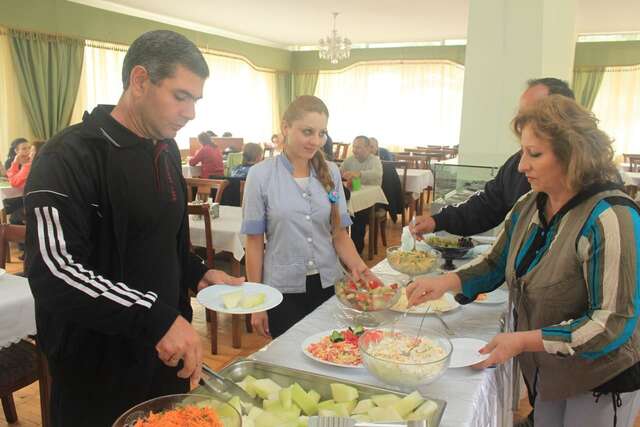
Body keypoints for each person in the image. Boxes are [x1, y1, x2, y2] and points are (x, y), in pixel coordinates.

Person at [24, 30, 244, 427]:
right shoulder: (67, 156)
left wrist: (198, 273)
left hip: (164, 357)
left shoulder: (164, 154)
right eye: (181, 96)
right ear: (139, 81)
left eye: (196, 100)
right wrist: (154, 318)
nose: (191, 112)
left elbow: (165, 242)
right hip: (96, 368)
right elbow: (54, 271)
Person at [407, 95, 640, 427]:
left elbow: (610, 324)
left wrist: (522, 341)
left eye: (535, 154)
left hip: (600, 380)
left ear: (572, 155)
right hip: (549, 371)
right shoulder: (529, 205)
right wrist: (442, 283)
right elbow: (495, 264)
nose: (521, 166)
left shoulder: (611, 218)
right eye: (522, 152)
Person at [242, 95, 379, 338]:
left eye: (321, 133)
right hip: (281, 291)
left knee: (331, 352)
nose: (316, 141)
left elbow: (339, 234)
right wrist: (256, 301)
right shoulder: (260, 175)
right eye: (307, 131)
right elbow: (253, 244)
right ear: (286, 127)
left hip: (329, 284)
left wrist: (359, 266)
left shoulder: (332, 172)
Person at [411, 78, 575, 238]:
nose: (522, 167)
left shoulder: (590, 203)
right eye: (521, 115)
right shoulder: (515, 165)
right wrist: (437, 221)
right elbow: (488, 206)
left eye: (532, 115)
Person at [340, 135, 383, 253]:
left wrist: (359, 174)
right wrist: (342, 175)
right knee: (337, 211)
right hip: (354, 195)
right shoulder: (350, 159)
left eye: (358, 147)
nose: (354, 150)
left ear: (368, 148)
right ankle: (341, 246)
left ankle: (356, 250)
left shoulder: (375, 160)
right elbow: (340, 172)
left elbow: (377, 174)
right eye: (354, 147)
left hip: (373, 200)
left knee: (358, 216)